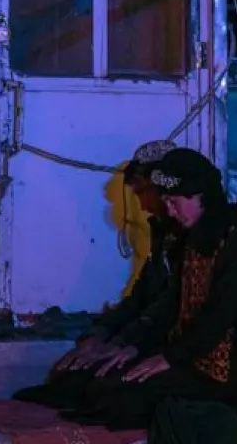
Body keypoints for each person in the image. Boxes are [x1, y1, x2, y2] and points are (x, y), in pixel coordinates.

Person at [20, 148, 237, 432]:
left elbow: (222, 313)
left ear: (198, 195)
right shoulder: (190, 233)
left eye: (174, 201)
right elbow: (169, 302)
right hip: (184, 355)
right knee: (97, 381)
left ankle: (231, 408)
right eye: (165, 200)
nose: (168, 210)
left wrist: (167, 357)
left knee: (119, 395)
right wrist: (129, 345)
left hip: (222, 371)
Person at [53, 139, 182, 373]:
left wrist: (123, 344)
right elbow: (139, 299)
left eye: (144, 192)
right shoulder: (163, 235)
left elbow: (171, 310)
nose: (142, 206)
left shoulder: (202, 239)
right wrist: (95, 336)